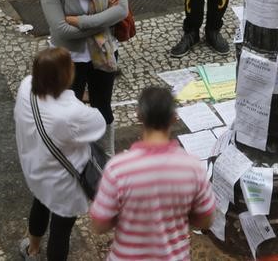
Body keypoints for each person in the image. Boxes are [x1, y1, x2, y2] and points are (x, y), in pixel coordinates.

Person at [90, 86, 215, 260]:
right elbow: (206, 220)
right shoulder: (193, 168)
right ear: (174, 118)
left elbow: (99, 223)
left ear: (139, 116)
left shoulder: (117, 168)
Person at [40, 0, 129, 157]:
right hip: (70, 57)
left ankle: (106, 158)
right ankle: (74, 158)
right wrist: (103, 20)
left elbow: (121, 10)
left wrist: (81, 22)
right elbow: (60, 30)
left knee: (103, 108)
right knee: (71, 112)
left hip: (104, 51)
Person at [15, 48, 106, 260]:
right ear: (64, 76)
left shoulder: (26, 86)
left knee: (39, 203)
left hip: (37, 167)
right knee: (61, 230)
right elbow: (98, 123)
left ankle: (33, 250)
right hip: (64, 182)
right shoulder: (71, 112)